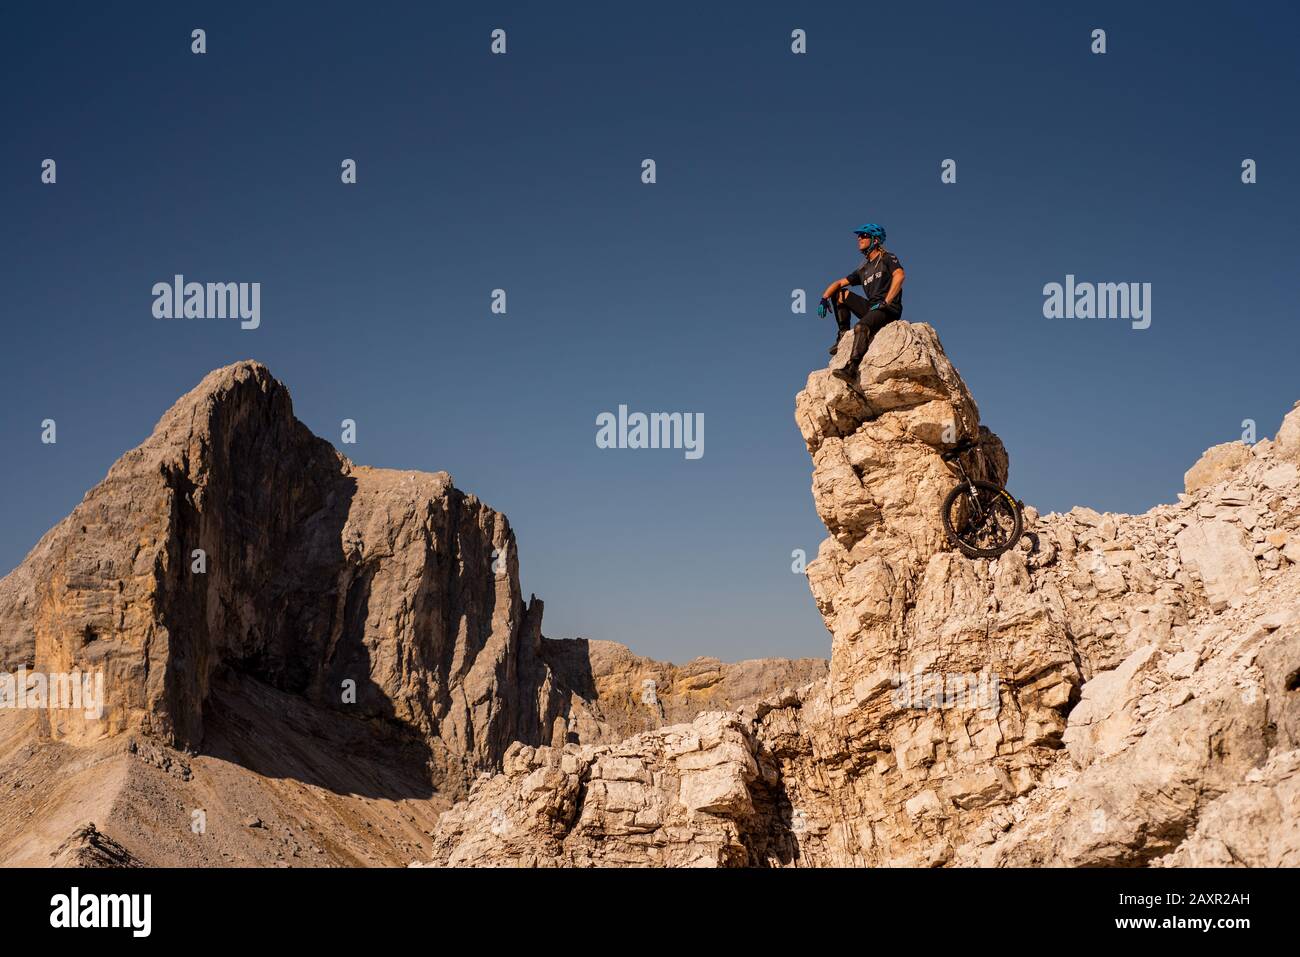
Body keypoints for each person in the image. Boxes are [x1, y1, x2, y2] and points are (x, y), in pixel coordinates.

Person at [818, 223, 905, 356]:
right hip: (872, 308)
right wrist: (824, 298)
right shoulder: (863, 269)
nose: (859, 239)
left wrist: (886, 302)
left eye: (864, 236)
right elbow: (839, 283)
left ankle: (852, 367)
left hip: (888, 309)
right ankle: (843, 335)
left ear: (875, 240)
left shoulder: (886, 258)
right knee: (839, 294)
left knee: (860, 326)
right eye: (859, 236)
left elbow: (899, 276)